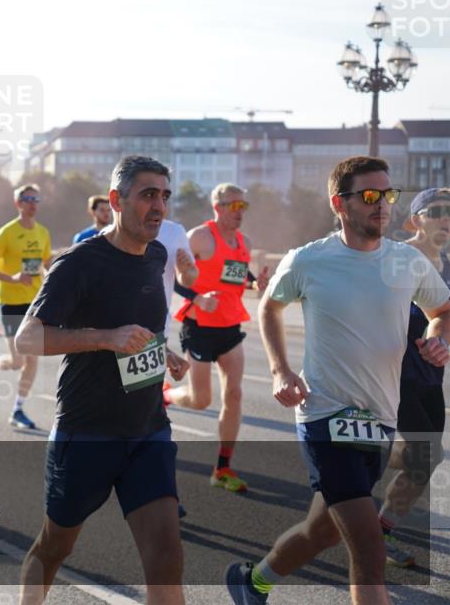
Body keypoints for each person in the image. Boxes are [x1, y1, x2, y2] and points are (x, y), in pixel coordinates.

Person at [225, 157, 450, 605]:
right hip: (325, 415)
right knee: (368, 552)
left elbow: (442, 310)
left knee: (320, 530)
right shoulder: (309, 260)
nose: (382, 205)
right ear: (339, 203)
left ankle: (254, 581)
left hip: (379, 419)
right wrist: (279, 370)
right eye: (370, 196)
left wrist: (436, 337)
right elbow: (269, 307)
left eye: (388, 195)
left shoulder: (407, 261)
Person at [14, 156, 189, 605]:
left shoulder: (156, 255)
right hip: (87, 429)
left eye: (165, 196)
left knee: (168, 556)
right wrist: (104, 338)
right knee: (55, 546)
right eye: (148, 194)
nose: (159, 207)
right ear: (116, 200)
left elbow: (139, 325)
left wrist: (161, 351)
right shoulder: (78, 263)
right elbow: (28, 338)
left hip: (147, 428)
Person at [166, 183, 269, 493]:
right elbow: (172, 274)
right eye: (234, 206)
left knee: (234, 395)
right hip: (199, 327)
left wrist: (254, 284)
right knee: (201, 400)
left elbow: (236, 273)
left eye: (244, 206)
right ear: (218, 207)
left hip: (230, 327)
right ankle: (166, 396)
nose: (240, 212)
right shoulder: (199, 237)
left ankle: (222, 467)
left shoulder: (243, 241)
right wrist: (197, 298)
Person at [377, 187, 450, 568]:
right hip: (394, 373)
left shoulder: (449, 266)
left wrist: (440, 343)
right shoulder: (393, 257)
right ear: (415, 219)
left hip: (430, 376)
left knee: (427, 458)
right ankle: (378, 534)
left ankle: (368, 458)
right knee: (426, 453)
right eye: (435, 210)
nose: (445, 217)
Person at [0, 184, 53, 430]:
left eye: (35, 199)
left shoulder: (42, 233)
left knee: (33, 360)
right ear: (18, 203)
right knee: (18, 361)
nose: (32, 203)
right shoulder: (7, 232)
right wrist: (14, 278)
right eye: (27, 199)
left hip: (35, 303)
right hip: (12, 302)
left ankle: (18, 409)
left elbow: (49, 264)